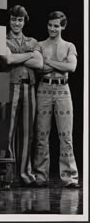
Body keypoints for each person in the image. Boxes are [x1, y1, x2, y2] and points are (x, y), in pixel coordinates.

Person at [33, 11, 79, 188]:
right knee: (41, 134)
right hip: (43, 89)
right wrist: (60, 65)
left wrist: (50, 62)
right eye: (50, 25)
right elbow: (38, 67)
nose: (52, 28)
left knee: (65, 135)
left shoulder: (69, 46)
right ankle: (40, 175)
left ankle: (70, 177)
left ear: (63, 26)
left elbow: (72, 67)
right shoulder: (39, 44)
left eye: (56, 25)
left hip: (63, 89)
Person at [1, 5, 43, 189]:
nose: (16, 23)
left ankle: (26, 174)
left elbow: (39, 63)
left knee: (27, 133)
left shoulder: (33, 41)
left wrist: (18, 56)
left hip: (29, 87)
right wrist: (28, 56)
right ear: (9, 21)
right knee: (7, 132)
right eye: (13, 19)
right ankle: (6, 175)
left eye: (19, 20)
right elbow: (7, 60)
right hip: (8, 86)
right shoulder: (3, 39)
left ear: (24, 21)